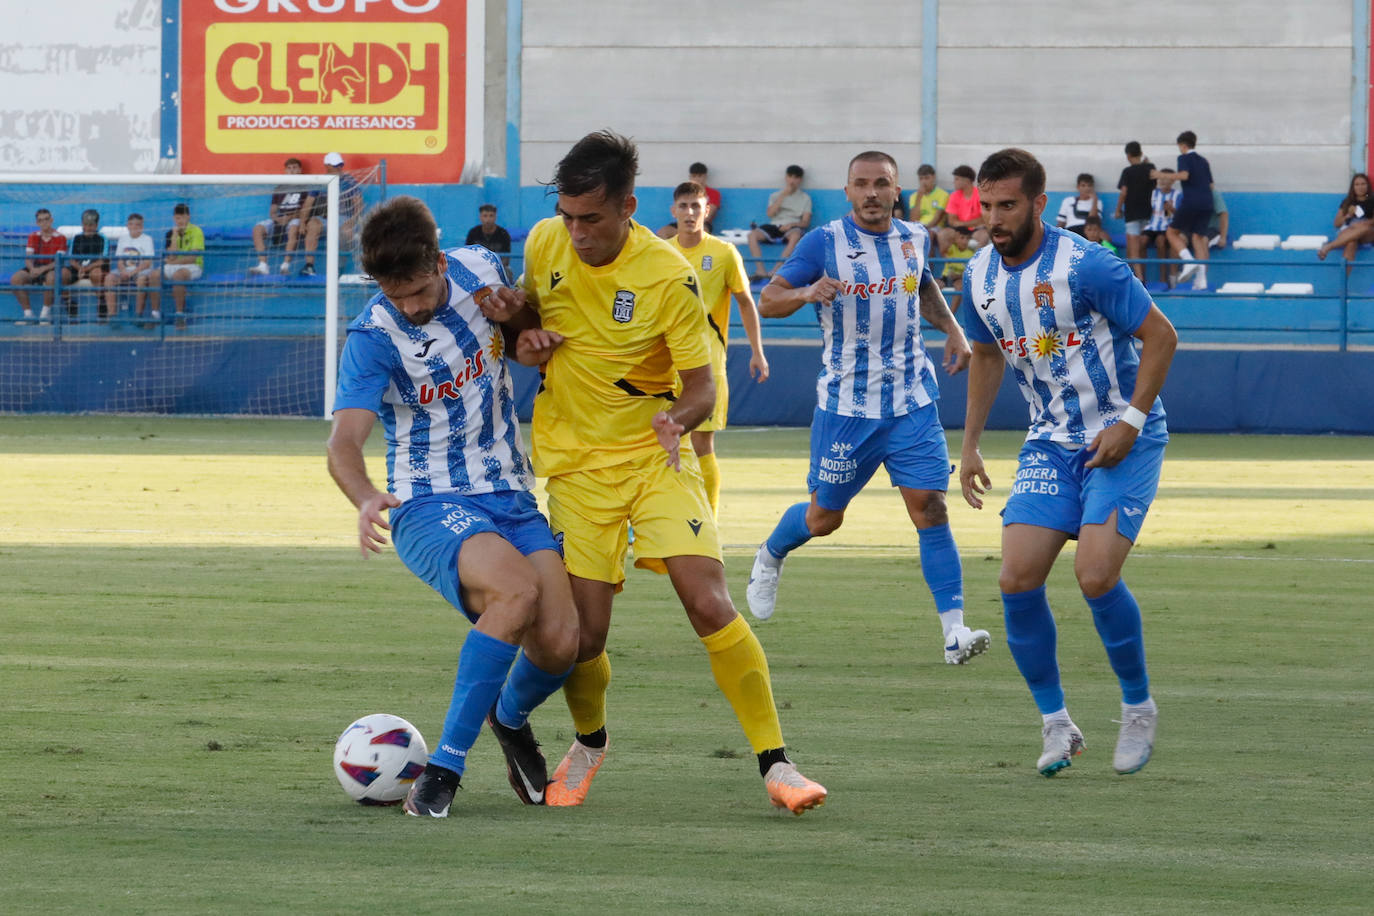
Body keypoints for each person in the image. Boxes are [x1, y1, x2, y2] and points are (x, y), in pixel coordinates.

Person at [515, 130, 826, 815]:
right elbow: (528, 323)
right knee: (584, 638)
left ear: (628, 206)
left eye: (590, 219)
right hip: (575, 469)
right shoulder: (544, 243)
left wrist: (677, 422)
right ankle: (590, 743)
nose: (576, 232)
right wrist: (522, 336)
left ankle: (778, 764)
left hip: (656, 459)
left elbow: (701, 389)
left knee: (708, 602)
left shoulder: (667, 275)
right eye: (567, 217)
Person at [326, 195, 579, 818]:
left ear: (441, 262)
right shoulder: (373, 337)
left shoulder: (483, 270)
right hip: (429, 501)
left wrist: (521, 314)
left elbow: (530, 338)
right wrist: (363, 497)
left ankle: (506, 712)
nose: (409, 306)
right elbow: (343, 442)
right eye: (395, 294)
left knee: (562, 645)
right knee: (517, 592)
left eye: (417, 290)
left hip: (511, 494)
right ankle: (444, 768)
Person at [958, 147, 1177, 778]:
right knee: (1016, 579)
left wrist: (1131, 422)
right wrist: (970, 443)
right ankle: (1057, 726)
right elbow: (987, 355)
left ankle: (1137, 707)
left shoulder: (1087, 264)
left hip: (1120, 434)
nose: (995, 219)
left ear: (1038, 203)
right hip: (1050, 441)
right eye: (987, 206)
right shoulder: (978, 276)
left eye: (1007, 205)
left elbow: (1161, 335)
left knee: (1095, 575)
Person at [747, 151, 991, 668]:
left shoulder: (915, 238)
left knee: (930, 508)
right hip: (847, 408)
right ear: (848, 191)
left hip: (912, 402)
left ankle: (954, 632)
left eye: (882, 183)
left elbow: (922, 286)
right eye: (862, 184)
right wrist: (810, 290)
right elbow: (768, 299)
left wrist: (952, 330)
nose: (873, 193)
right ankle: (770, 553)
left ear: (897, 190)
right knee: (824, 518)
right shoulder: (823, 242)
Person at [667, 180, 770, 516]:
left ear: (706, 211)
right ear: (674, 211)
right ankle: (662, 517)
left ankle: (706, 520)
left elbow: (745, 301)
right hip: (665, 366)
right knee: (659, 443)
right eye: (683, 206)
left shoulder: (724, 253)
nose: (689, 212)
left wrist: (757, 351)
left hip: (708, 366)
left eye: (696, 206)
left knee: (701, 444)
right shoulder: (662, 253)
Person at [1153, 131, 1213, 290]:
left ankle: (1188, 261)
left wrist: (1159, 174)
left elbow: (1185, 176)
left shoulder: (1184, 158)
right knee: (1198, 238)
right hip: (1208, 202)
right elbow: (1211, 185)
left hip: (1192, 201)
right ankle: (1201, 280)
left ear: (1183, 145)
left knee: (1171, 232)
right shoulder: (1204, 161)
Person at [249, 157, 318, 277]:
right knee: (257, 229)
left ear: (300, 170)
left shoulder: (306, 186)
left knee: (293, 229)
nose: (292, 171)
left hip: (296, 218)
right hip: (280, 218)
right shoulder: (279, 188)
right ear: (285, 170)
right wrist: (277, 219)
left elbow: (305, 209)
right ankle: (263, 265)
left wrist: (290, 217)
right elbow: (273, 211)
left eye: (295, 168)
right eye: (289, 168)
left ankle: (285, 265)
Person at [746, 164, 812, 280]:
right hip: (774, 225)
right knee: (752, 235)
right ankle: (760, 270)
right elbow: (770, 214)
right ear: (786, 177)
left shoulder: (805, 198)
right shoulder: (775, 195)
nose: (792, 180)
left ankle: (776, 270)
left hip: (792, 226)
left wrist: (792, 224)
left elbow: (805, 222)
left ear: (800, 180)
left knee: (796, 236)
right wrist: (783, 196)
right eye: (790, 176)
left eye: (796, 177)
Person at [10, 208, 67, 324]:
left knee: (52, 278)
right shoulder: (33, 236)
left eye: (47, 219)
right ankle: (28, 314)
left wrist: (43, 269)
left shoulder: (61, 237)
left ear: (51, 220)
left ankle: (45, 314)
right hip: (36, 267)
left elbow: (58, 261)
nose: (44, 222)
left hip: (51, 267)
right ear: (37, 223)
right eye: (41, 220)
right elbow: (28, 257)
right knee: (15, 279)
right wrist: (32, 269)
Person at [103, 213, 156, 322]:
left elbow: (147, 262)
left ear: (142, 227)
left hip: (140, 271)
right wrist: (123, 271)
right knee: (109, 278)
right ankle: (112, 316)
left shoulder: (147, 239)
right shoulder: (123, 239)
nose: (134, 227)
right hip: (125, 271)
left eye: (137, 225)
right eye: (131, 224)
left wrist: (132, 273)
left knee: (142, 280)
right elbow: (120, 261)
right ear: (127, 226)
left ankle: (138, 315)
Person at [160, 203, 205, 327]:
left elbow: (192, 258)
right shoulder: (171, 233)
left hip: (194, 266)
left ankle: (179, 315)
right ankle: (155, 315)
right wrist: (174, 235)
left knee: (178, 275)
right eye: (177, 218)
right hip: (176, 264)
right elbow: (172, 255)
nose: (180, 221)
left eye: (182, 217)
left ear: (188, 217)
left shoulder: (196, 231)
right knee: (154, 275)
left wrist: (172, 262)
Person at [1115, 143, 1155, 282]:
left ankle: (1140, 279)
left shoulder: (1127, 171)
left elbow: (1124, 192)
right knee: (1142, 246)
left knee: (1133, 250)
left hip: (1132, 214)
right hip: (1148, 213)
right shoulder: (1150, 168)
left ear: (1128, 155)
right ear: (1141, 152)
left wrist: (1118, 210)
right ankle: (1143, 276)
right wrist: (1147, 163)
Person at [1318, 173, 1374, 262]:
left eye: (1363, 184)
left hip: (1366, 232)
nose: (1360, 187)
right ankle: (1344, 276)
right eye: (1357, 184)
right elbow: (1337, 223)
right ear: (1353, 187)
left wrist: (1362, 223)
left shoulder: (1372, 200)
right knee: (1351, 243)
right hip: (1349, 230)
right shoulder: (1347, 201)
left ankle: (1329, 246)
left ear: (1368, 186)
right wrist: (1348, 215)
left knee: (1364, 227)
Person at [657, 162, 723, 238]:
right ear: (690, 177)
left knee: (702, 232)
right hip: (683, 222)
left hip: (702, 223)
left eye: (700, 176)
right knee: (662, 232)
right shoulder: (683, 192)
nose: (697, 179)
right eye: (694, 176)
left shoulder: (714, 193)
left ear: (705, 177)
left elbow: (708, 215)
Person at [66, 209, 109, 319]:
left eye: (91, 225)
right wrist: (80, 268)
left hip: (93, 268)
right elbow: (71, 259)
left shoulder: (103, 238)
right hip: (79, 268)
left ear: (96, 225)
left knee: (97, 273)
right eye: (86, 224)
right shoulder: (76, 238)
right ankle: (69, 302)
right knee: (62, 274)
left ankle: (101, 301)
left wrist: (86, 269)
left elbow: (102, 260)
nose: (88, 227)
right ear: (82, 224)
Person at [938, 165, 988, 252]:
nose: (954, 182)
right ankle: (948, 264)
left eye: (957, 179)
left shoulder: (980, 194)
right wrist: (969, 224)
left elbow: (983, 219)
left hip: (977, 230)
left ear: (966, 180)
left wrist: (961, 223)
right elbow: (952, 221)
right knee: (943, 235)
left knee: (983, 236)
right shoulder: (954, 196)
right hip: (958, 230)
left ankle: (977, 263)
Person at [1143, 170, 1181, 286]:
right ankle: (1141, 277)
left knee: (1160, 241)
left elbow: (1179, 215)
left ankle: (1163, 277)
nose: (1163, 181)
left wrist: (1171, 209)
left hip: (1167, 226)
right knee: (1141, 241)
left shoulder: (1177, 194)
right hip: (1152, 225)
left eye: (1167, 178)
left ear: (1173, 180)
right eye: (1161, 179)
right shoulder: (1153, 193)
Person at [323, 151, 365, 254]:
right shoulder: (320, 180)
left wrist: (354, 219)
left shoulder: (348, 180)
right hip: (324, 218)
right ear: (327, 166)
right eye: (336, 165)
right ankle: (309, 266)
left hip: (342, 217)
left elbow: (358, 202)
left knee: (344, 231)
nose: (339, 168)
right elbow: (309, 202)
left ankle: (339, 266)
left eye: (341, 165)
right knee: (312, 226)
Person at [907, 163, 950, 251]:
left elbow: (937, 218)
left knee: (927, 235)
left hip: (935, 227)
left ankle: (929, 264)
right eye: (921, 179)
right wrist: (919, 197)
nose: (923, 182)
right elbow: (913, 219)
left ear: (933, 177)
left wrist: (924, 229)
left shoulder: (943, 194)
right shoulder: (914, 196)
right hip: (918, 226)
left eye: (927, 178)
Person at [939, 224, 976, 312]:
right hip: (945, 277)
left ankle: (950, 314)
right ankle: (938, 313)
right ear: (955, 239)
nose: (965, 241)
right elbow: (943, 251)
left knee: (960, 286)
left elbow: (970, 274)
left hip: (959, 278)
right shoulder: (951, 248)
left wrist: (957, 276)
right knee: (934, 285)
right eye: (962, 238)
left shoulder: (971, 254)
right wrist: (953, 238)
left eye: (967, 238)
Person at [464, 204, 513, 270]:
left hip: (498, 268)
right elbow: (467, 255)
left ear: (495, 217)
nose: (488, 219)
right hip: (476, 268)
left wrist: (494, 268)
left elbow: (506, 258)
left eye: (491, 216)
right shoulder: (473, 233)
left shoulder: (503, 234)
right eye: (485, 216)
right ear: (480, 217)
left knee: (507, 271)